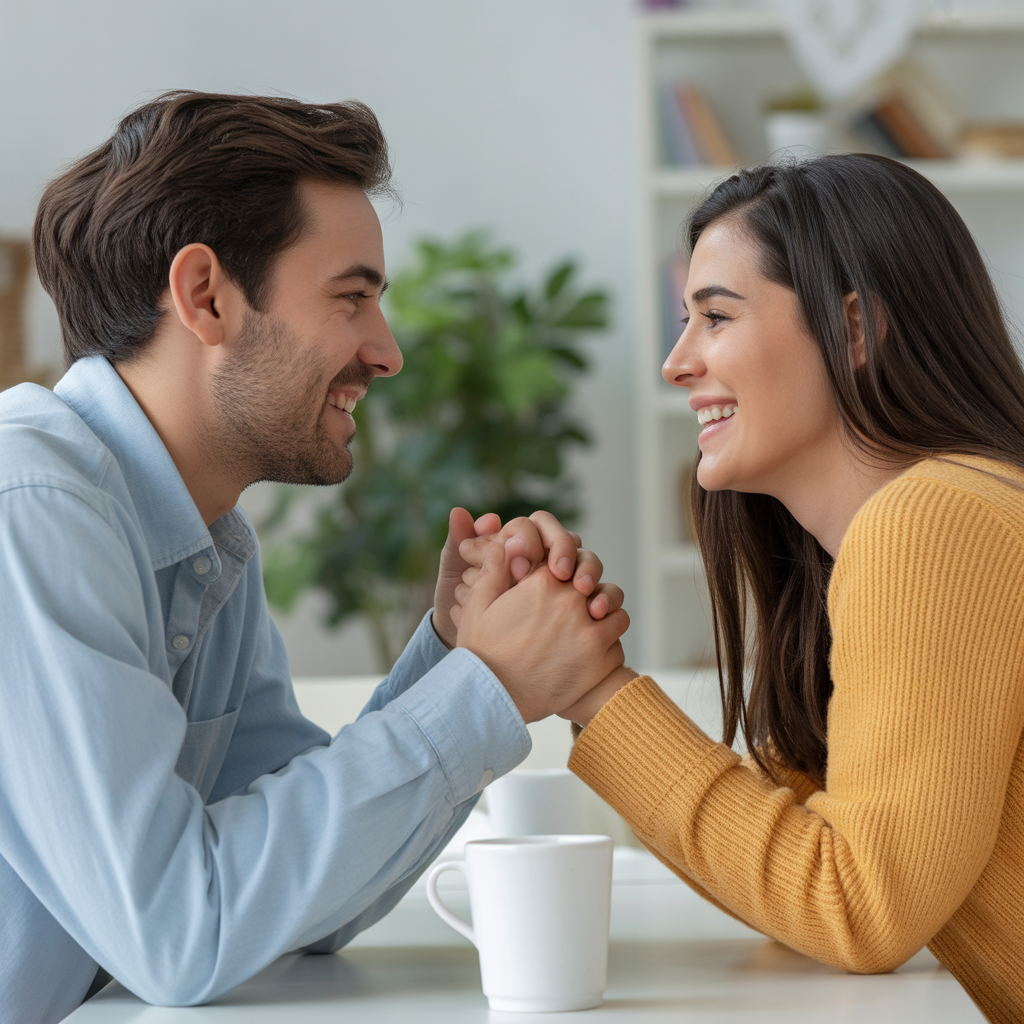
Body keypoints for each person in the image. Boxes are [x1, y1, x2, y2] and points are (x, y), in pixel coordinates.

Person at [0, 90, 629, 1023]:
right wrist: (489, 689)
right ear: (206, 295)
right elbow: (184, 932)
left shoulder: (211, 547)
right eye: (353, 297)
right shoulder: (31, 508)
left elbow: (299, 908)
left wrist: (456, 654)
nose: (386, 352)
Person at [461, 154, 1024, 1023]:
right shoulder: (932, 519)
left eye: (714, 316)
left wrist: (596, 691)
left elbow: (857, 909)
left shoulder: (933, 523)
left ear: (855, 329)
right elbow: (805, 867)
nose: (675, 363)